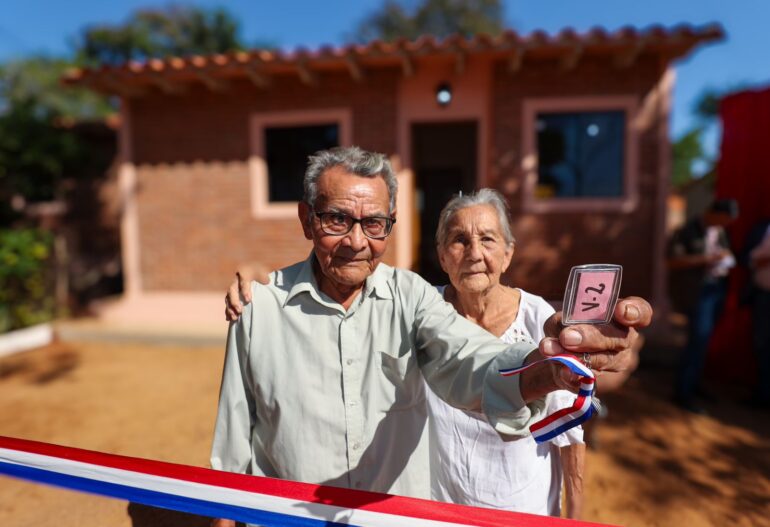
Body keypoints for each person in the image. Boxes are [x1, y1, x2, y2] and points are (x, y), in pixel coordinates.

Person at [212, 146, 650, 527]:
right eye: (337, 220)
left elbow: (470, 360)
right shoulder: (258, 309)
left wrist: (547, 366)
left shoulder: (412, 298)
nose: (356, 241)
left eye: (374, 224)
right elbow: (232, 448)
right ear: (307, 220)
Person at [426, 189, 584, 518]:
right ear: (442, 256)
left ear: (508, 254)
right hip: (441, 510)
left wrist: (576, 518)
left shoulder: (538, 319)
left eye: (487, 239)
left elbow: (568, 431)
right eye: (459, 240)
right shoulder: (425, 314)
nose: (473, 253)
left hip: (522, 510)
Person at [667, 199, 739, 413]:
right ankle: (683, 391)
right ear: (712, 213)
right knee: (697, 339)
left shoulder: (720, 232)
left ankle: (694, 384)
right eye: (722, 219)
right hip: (696, 293)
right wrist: (706, 259)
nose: (724, 224)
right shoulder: (687, 231)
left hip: (715, 289)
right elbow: (673, 260)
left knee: (704, 340)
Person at [744, 218, 770, 408]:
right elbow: (747, 258)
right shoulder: (761, 228)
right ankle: (763, 393)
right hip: (763, 296)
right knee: (761, 344)